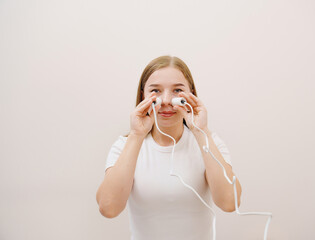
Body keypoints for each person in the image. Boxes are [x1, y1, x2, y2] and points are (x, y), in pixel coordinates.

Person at [96, 55, 242, 240]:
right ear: (143, 95)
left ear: (191, 95)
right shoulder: (125, 146)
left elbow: (230, 203)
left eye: (177, 90)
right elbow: (108, 208)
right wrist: (136, 135)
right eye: (155, 90)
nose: (166, 100)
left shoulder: (209, 143)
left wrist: (200, 131)